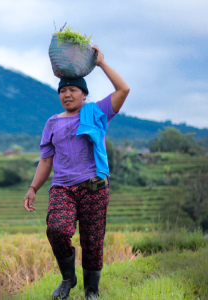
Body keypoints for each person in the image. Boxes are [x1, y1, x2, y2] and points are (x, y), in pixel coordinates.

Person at [23, 45, 130, 300]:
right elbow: (46, 161)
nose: (67, 94)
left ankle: (91, 290)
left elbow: (123, 90)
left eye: (73, 90)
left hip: (94, 187)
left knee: (93, 242)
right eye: (63, 90)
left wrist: (102, 63)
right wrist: (33, 188)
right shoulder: (52, 122)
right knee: (57, 229)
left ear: (84, 94)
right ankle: (68, 279)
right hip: (63, 188)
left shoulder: (96, 113)